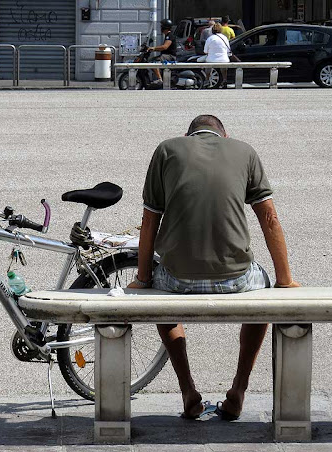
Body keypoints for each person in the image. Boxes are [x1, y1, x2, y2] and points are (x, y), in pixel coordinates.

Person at [128, 115, 300, 421]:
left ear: (188, 135)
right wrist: (285, 280)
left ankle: (188, 391)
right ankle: (238, 390)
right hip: (235, 279)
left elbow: (150, 220)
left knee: (160, 295)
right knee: (264, 296)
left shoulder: (167, 150)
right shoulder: (244, 151)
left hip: (176, 279)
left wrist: (143, 279)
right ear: (224, 135)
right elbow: (269, 217)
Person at [148, 18, 177, 83]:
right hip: (166, 55)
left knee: (154, 62)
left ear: (165, 27)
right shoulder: (167, 35)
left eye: (162, 26)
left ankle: (159, 79)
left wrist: (153, 48)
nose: (160, 28)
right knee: (153, 59)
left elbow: (165, 47)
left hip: (170, 56)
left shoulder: (170, 36)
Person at [203, 23, 231, 88]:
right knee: (224, 68)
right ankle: (224, 80)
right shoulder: (225, 38)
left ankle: (207, 80)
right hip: (224, 59)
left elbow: (205, 51)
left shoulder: (210, 38)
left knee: (208, 66)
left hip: (211, 59)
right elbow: (228, 50)